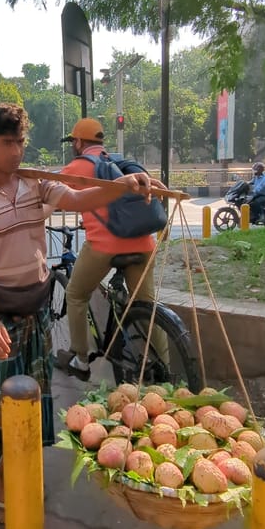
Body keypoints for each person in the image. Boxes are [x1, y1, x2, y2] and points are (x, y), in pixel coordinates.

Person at [0, 103, 157, 529]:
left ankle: (25, 473)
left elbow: (81, 197)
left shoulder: (35, 183)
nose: (16, 152)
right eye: (7, 143)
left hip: (37, 309)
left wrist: (121, 187)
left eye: (21, 142)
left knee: (35, 400)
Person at [56, 118, 169, 381]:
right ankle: (166, 366)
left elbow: (53, 193)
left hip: (105, 246)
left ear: (79, 142)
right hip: (144, 244)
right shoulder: (121, 162)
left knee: (75, 294)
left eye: (74, 141)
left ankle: (81, 360)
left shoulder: (79, 165)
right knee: (146, 306)